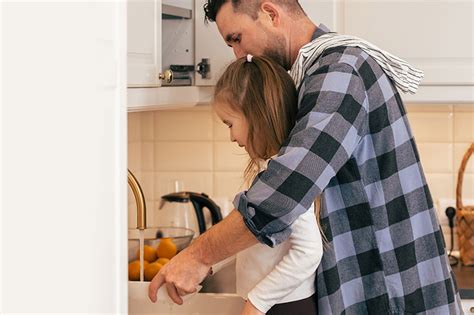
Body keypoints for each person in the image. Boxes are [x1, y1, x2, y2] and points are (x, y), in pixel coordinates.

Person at [149, 1, 463, 313]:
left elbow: (287, 190)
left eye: (236, 38)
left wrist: (199, 255)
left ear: (270, 13)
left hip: (393, 295)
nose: (237, 53)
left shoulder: (340, 70)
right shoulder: (315, 74)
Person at [213, 55, 322, 314]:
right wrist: (207, 264)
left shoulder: (284, 177)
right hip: (275, 304)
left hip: (286, 306)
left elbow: (309, 251)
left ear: (257, 116)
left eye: (230, 124)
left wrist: (257, 302)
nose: (231, 137)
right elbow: (250, 236)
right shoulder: (270, 170)